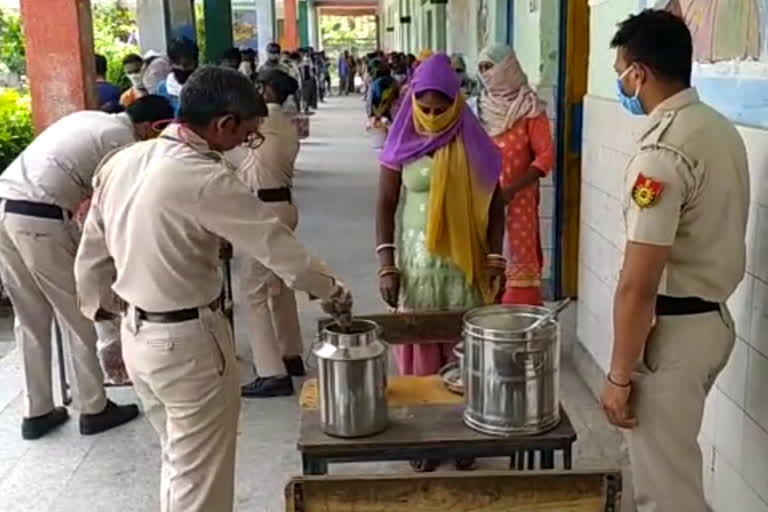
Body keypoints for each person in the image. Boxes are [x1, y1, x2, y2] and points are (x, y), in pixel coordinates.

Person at [74, 67, 352, 512]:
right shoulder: (204, 177)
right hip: (187, 345)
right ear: (223, 124)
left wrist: (104, 321)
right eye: (247, 134)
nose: (247, 144)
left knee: (179, 461)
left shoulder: (123, 162)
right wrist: (332, 291)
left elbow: (90, 257)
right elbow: (277, 247)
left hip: (137, 335)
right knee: (198, 479)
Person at [599, 10, 749, 512]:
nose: (621, 83)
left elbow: (637, 286)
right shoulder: (718, 129)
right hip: (712, 324)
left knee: (668, 497)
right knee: (666, 470)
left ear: (637, 72)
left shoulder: (661, 154)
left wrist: (619, 376)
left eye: (621, 71)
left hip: (674, 338)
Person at [0, 95, 174, 440]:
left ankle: (37, 412)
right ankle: (93, 407)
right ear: (151, 127)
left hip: (6, 207)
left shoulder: (93, 120)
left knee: (30, 318)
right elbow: (121, 205)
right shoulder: (121, 141)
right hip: (41, 217)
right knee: (78, 313)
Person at [376, 54, 505, 472]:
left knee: (462, 354)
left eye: (440, 110)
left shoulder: (472, 141)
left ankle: (464, 434)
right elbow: (385, 202)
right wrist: (386, 263)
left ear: (456, 104)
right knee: (420, 354)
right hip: (417, 267)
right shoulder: (402, 139)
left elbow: (495, 201)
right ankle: (424, 439)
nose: (431, 118)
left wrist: (494, 258)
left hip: (463, 266)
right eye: (424, 109)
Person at [239, 69, 304, 398]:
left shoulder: (262, 123)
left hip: (264, 210)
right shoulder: (287, 124)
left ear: (265, 90)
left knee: (254, 292)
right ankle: (290, 352)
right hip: (282, 207)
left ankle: (270, 371)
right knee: (278, 286)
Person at [476, 45, 555, 306]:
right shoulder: (477, 108)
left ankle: (521, 335)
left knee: (518, 268)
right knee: (484, 265)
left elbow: (545, 157)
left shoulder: (530, 109)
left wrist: (510, 191)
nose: (486, 74)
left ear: (508, 67)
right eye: (482, 69)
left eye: (491, 67)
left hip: (518, 204)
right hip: (481, 201)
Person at [157, 38, 200, 115]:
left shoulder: (206, 86)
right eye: (177, 63)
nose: (182, 68)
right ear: (170, 63)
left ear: (196, 62)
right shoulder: (164, 88)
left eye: (187, 64)